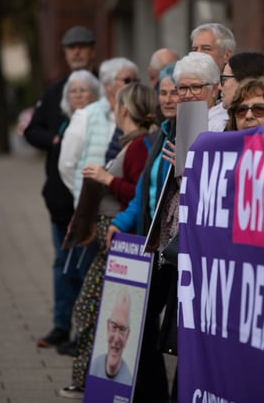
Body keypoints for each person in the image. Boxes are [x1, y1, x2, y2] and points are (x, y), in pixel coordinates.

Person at [58, 83, 158, 399]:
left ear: (124, 110)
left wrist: (106, 179)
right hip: (110, 244)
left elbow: (138, 195)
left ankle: (92, 382)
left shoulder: (139, 146)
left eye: (116, 105)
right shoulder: (131, 143)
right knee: (91, 311)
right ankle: (92, 380)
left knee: (91, 311)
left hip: (120, 247)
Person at [105, 63, 180, 403]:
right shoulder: (158, 136)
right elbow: (143, 194)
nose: (168, 97)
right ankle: (151, 394)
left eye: (175, 91)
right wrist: (120, 223)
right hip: (150, 248)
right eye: (162, 91)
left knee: (164, 332)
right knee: (141, 324)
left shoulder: (194, 136)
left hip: (177, 250)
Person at [24, 25, 96, 349]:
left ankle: (86, 331)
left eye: (82, 46)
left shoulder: (102, 89)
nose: (77, 52)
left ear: (92, 50)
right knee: (60, 263)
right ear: (65, 53)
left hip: (91, 199)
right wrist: (54, 139)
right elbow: (31, 131)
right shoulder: (55, 92)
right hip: (59, 198)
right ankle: (60, 326)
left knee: (86, 266)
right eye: (72, 47)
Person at [59, 57, 139, 205]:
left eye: (136, 80)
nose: (134, 85)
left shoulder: (139, 117)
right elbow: (66, 165)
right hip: (93, 207)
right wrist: (83, 193)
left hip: (126, 205)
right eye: (127, 80)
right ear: (108, 85)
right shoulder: (86, 116)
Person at [190, 23, 236, 131]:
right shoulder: (184, 87)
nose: (198, 55)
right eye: (194, 49)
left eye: (206, 49)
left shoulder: (235, 89)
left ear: (226, 55)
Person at [88, 288, 133, 385]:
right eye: (114, 326)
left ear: (127, 335)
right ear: (108, 327)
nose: (116, 339)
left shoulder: (128, 380)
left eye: (122, 329)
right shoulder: (95, 365)